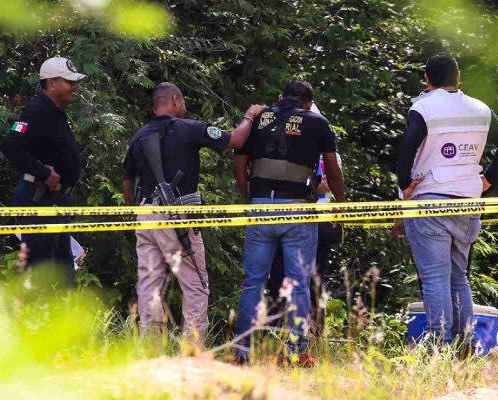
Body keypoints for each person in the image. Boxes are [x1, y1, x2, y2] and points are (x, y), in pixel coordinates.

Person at [122, 82, 266, 339]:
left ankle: (149, 347)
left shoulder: (139, 135)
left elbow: (127, 181)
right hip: (177, 214)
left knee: (148, 283)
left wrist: (136, 213)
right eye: (183, 101)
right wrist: (250, 115)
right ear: (175, 100)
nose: (185, 106)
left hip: (144, 216)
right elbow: (236, 139)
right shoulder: (189, 128)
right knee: (194, 282)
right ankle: (193, 347)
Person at [393, 53, 498, 344]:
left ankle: (440, 346)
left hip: (431, 202)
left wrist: (405, 186)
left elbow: (405, 149)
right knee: (458, 275)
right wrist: (488, 179)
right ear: (458, 78)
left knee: (435, 277)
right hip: (468, 200)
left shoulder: (424, 108)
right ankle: (465, 344)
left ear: (427, 79)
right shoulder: (479, 108)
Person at [232, 80, 345, 366]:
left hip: (260, 207)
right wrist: (342, 207)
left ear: (280, 97)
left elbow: (239, 159)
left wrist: (247, 196)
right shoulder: (317, 122)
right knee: (299, 283)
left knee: (253, 282)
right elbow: (333, 172)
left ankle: (241, 354)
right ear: (308, 103)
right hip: (298, 211)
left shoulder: (258, 119)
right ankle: (297, 352)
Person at [0, 56, 87, 285]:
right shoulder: (37, 110)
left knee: (65, 272)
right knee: (40, 271)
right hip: (38, 199)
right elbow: (10, 144)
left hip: (55, 200)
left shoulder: (54, 111)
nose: (75, 86)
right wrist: (43, 172)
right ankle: (32, 319)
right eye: (69, 81)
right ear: (52, 83)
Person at [264, 105, 344, 335]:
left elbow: (332, 182)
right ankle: (275, 331)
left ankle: (315, 333)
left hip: (320, 220)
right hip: (292, 216)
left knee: (315, 279)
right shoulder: (290, 145)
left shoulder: (330, 151)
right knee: (278, 275)